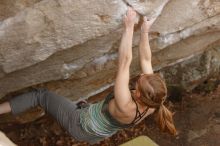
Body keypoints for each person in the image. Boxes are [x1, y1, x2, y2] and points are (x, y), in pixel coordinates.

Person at [0, 7, 176, 144]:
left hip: (79, 125)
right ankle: (81, 108)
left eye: (138, 82)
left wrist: (129, 27)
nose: (139, 78)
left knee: (41, 96)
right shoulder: (154, 100)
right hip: (95, 133)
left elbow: (124, 62)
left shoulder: (125, 103)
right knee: (75, 105)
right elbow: (146, 59)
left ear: (137, 94)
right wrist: (144, 31)